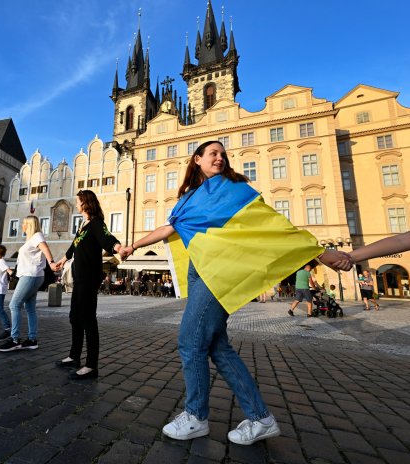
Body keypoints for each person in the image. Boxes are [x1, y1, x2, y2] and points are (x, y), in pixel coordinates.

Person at [120, 141, 348, 445]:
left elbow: (271, 225)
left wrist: (318, 252)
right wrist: (132, 246)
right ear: (197, 159)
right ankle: (260, 418)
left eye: (223, 154)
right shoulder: (189, 199)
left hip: (219, 273)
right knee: (217, 347)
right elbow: (168, 229)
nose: (220, 157)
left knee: (190, 342)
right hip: (200, 270)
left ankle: (196, 416)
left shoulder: (234, 189)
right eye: (213, 152)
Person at [54, 190, 122, 380]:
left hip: (90, 277)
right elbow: (74, 246)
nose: (76, 204)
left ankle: (91, 365)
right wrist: (62, 260)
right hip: (79, 277)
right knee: (75, 317)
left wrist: (118, 248)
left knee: (88, 319)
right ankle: (74, 356)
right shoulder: (83, 225)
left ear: (86, 203)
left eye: (78, 201)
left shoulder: (96, 224)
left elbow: (108, 238)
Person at [0, 216, 58, 351]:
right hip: (32, 275)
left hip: (30, 275)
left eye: (24, 223)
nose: (22, 225)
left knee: (14, 305)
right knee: (29, 308)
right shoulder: (31, 239)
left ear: (30, 225)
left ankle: (15, 339)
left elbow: (45, 248)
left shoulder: (37, 236)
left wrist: (52, 263)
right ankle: (32, 339)